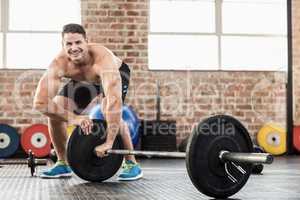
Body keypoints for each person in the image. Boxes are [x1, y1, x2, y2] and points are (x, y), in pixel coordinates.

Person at [33, 23, 143, 181]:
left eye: (78, 42)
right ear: (62, 45)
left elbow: (114, 102)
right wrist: (74, 118)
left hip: (113, 74)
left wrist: (109, 142)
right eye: (69, 44)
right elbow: (40, 102)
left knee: (108, 109)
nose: (74, 47)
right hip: (83, 81)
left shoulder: (102, 59)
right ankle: (63, 163)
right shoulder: (59, 63)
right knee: (55, 109)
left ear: (86, 42)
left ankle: (132, 164)